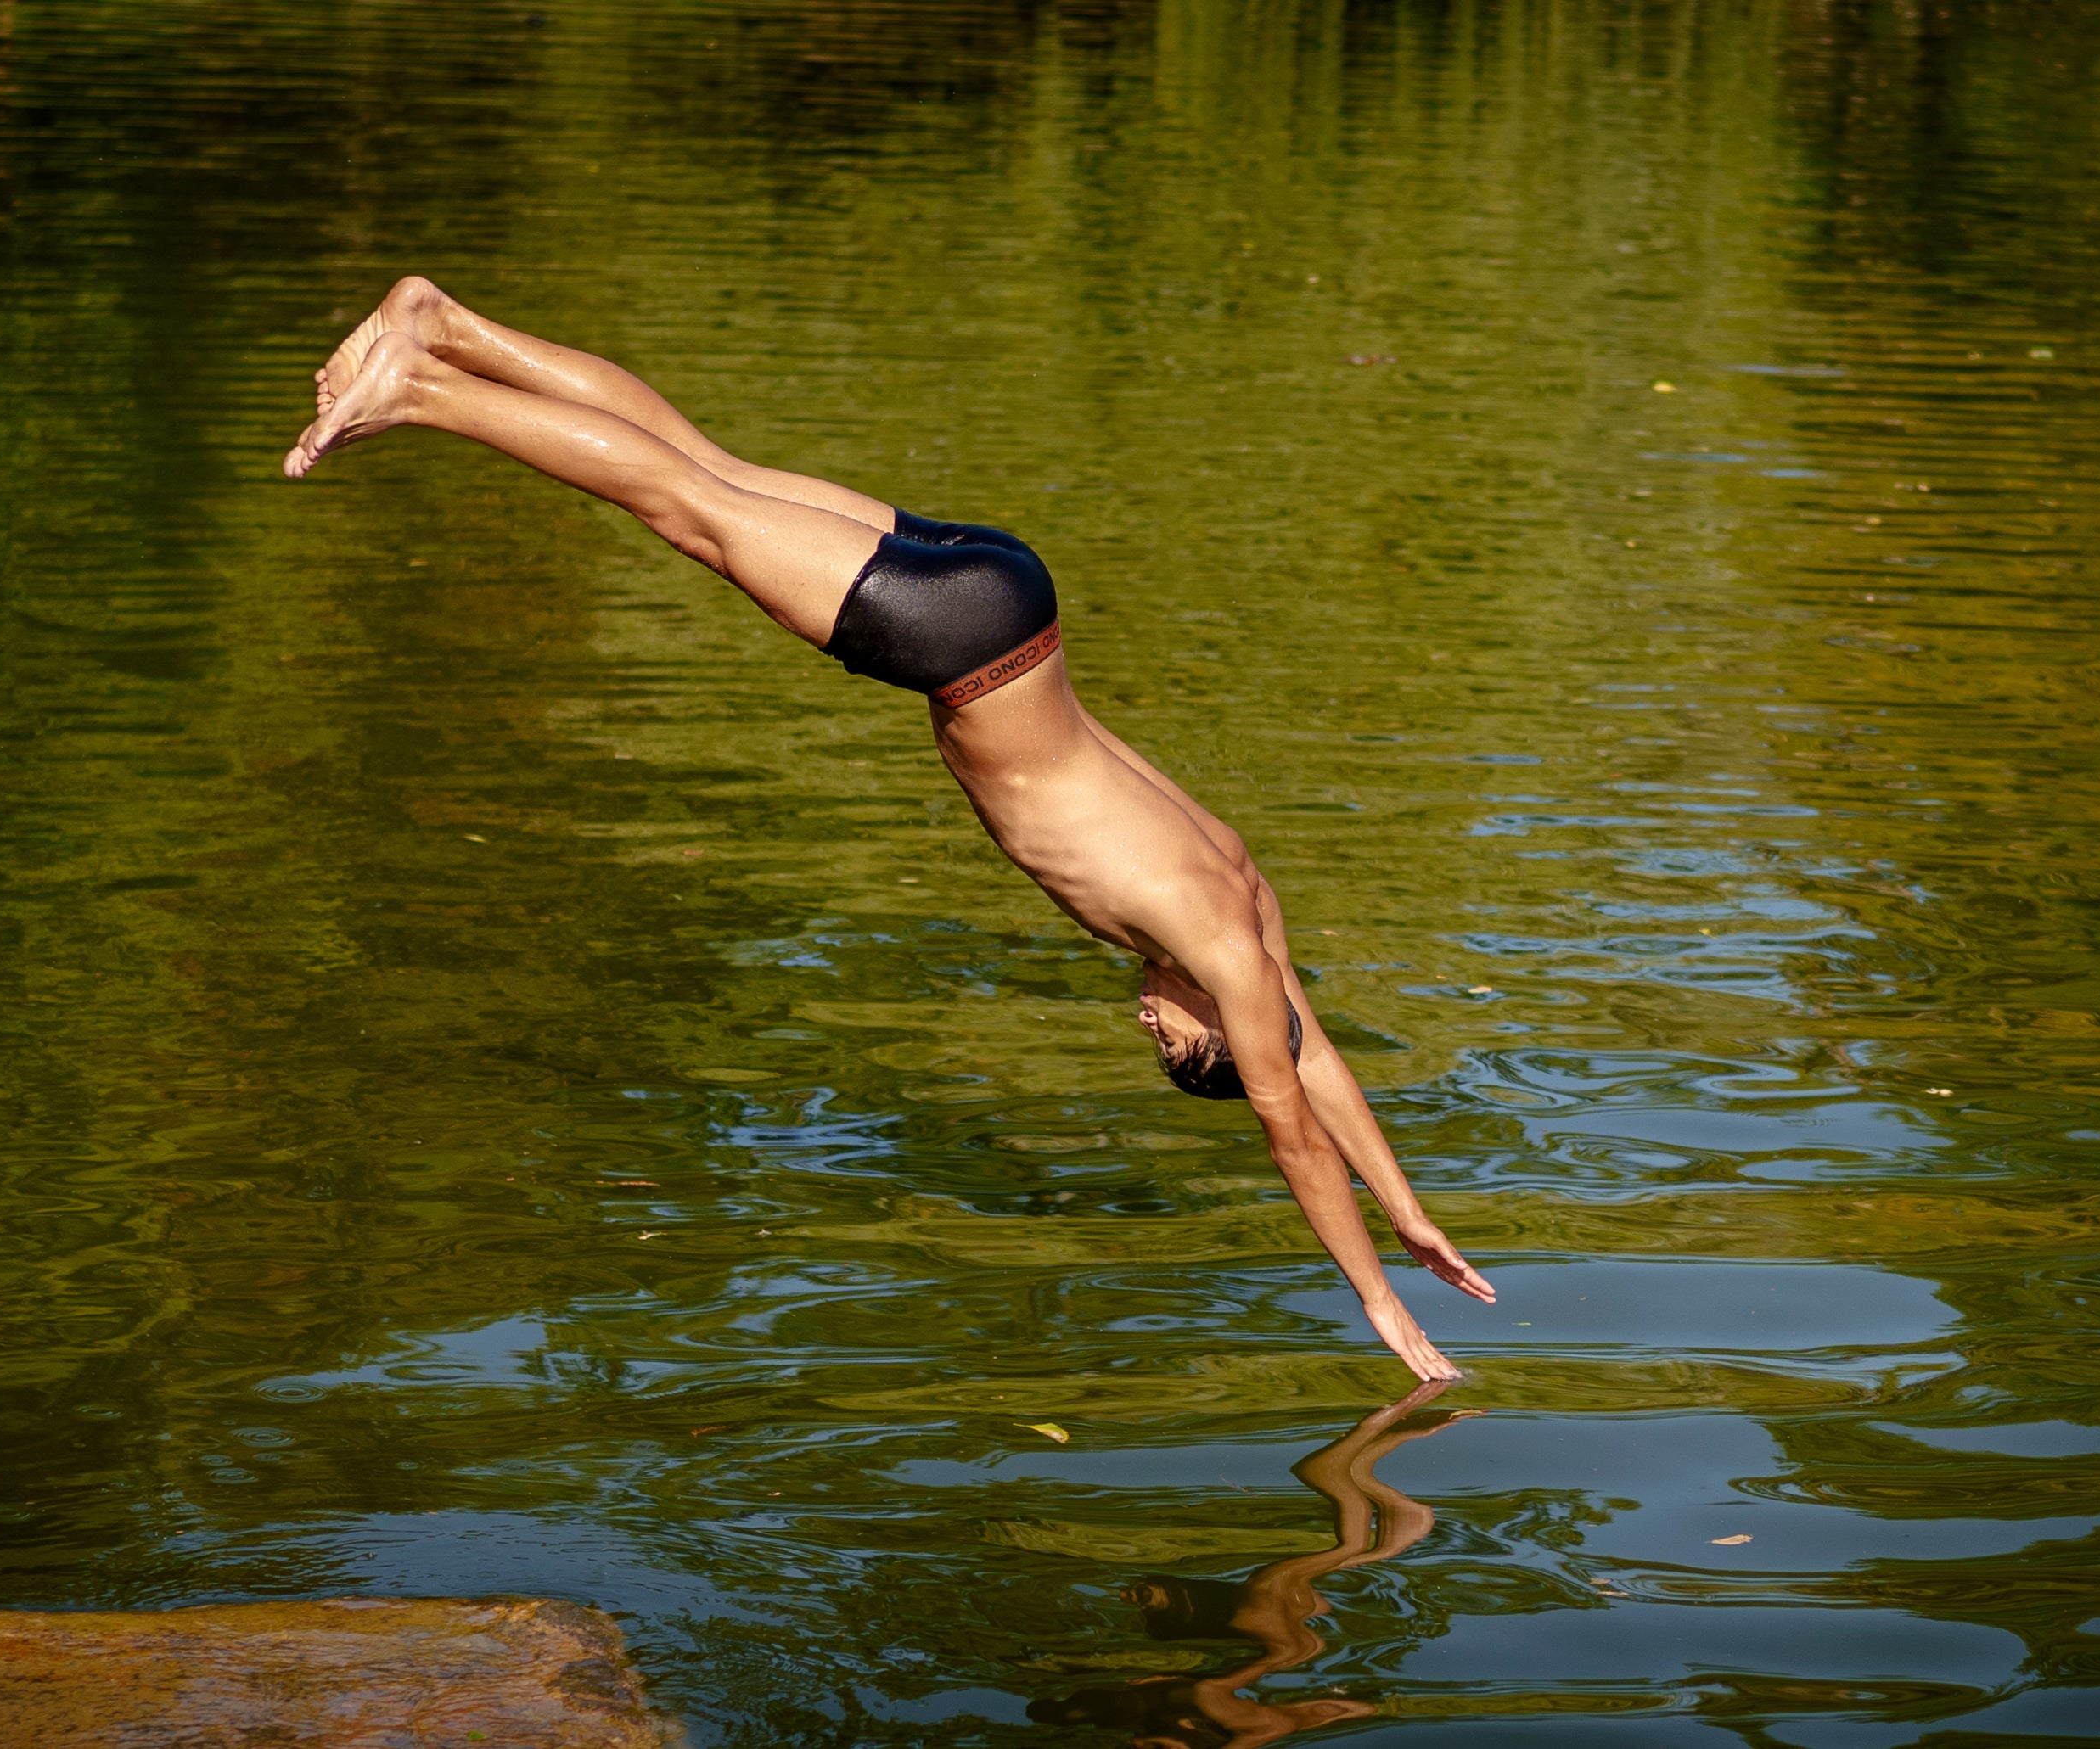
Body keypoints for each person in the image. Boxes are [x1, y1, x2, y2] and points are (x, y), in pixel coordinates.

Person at [284, 279, 1496, 1380]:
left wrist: (1413, 1209)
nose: (1147, 1021)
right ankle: (429, 392)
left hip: (1010, 592)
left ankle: (443, 328)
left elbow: (1316, 1056)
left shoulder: (1249, 908)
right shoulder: (1221, 956)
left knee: (713, 468)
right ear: (1219, 1027)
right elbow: (1293, 1117)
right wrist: (1383, 1301)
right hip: (954, 645)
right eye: (1173, 1045)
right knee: (689, 507)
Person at [1028, 1380, 1474, 1748]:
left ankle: (1392, 1435)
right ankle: (1393, 1430)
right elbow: (1300, 1714)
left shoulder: (1171, 1715)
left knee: (1350, 1546)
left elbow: (1307, 1711)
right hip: (1274, 1635)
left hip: (1272, 1632)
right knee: (1345, 1539)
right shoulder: (1216, 1720)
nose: (1144, 1744)